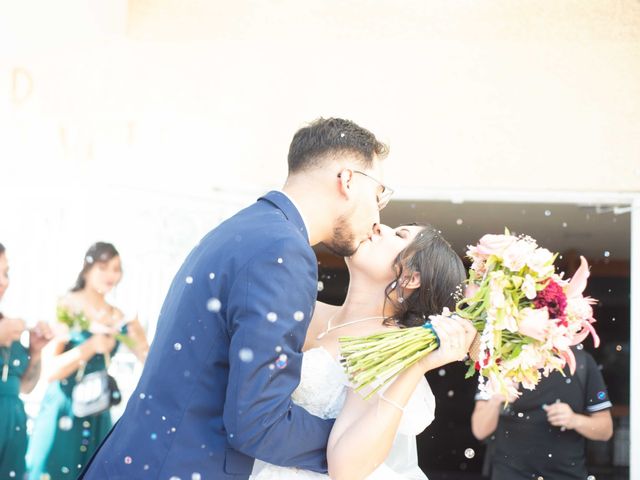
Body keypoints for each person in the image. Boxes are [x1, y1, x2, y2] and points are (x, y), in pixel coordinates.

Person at [79, 117, 394, 479]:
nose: (377, 215)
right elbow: (256, 421)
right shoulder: (283, 251)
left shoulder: (244, 230)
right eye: (379, 194)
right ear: (348, 180)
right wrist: (352, 446)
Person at [251, 223, 476, 479]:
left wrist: (416, 367)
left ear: (411, 277)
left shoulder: (385, 348)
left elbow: (346, 470)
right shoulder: (303, 311)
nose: (379, 227)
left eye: (399, 235)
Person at [26, 242, 148, 480]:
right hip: (64, 408)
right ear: (87, 268)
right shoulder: (67, 305)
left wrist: (138, 334)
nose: (111, 275)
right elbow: (50, 370)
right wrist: (90, 346)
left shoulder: (119, 316)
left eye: (116, 268)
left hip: (97, 410)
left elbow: (148, 359)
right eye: (103, 267)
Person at [470, 345, 613, 480]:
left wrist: (574, 420)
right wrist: (496, 399)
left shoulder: (580, 361)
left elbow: (606, 430)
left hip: (567, 476)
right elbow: (479, 430)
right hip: (510, 474)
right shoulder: (499, 361)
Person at [0, 242, 52, 480]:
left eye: (6, 272)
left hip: (13, 430)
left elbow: (26, 386)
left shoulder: (8, 325)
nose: (3, 281)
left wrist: (36, 351)